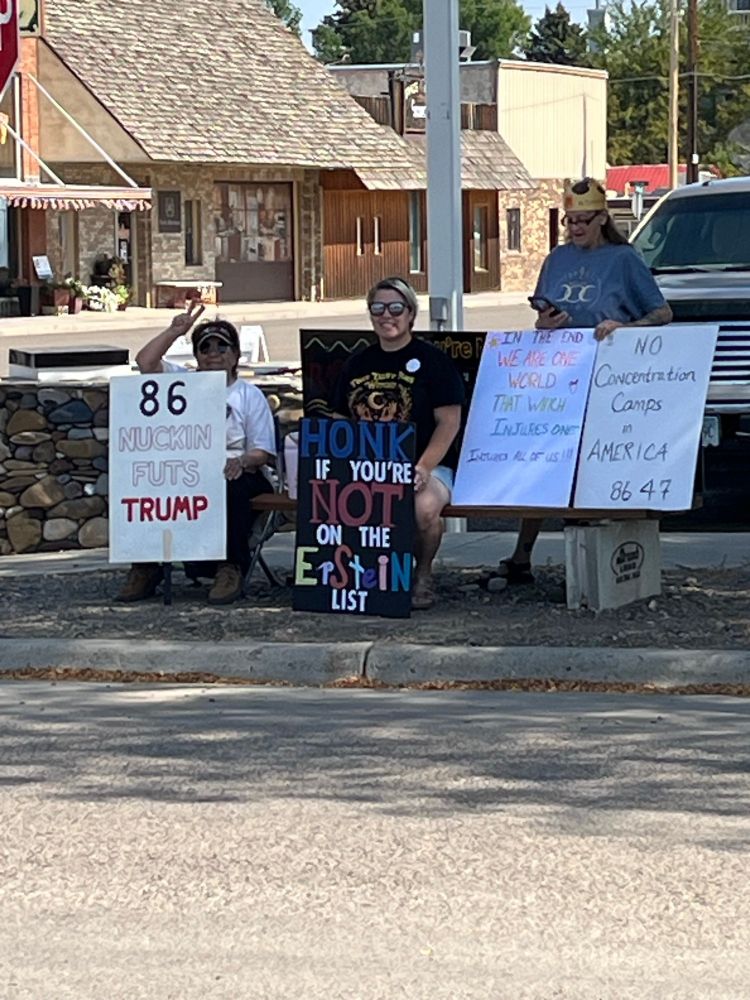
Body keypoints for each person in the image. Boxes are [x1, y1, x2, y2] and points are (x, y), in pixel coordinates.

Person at [494, 177, 673, 585]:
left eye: (582, 221)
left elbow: (662, 313)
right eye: (569, 221)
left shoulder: (623, 259)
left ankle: (591, 565)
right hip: (559, 372)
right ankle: (522, 555)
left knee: (589, 471)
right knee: (544, 462)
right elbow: (542, 310)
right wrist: (544, 320)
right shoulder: (556, 259)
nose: (574, 229)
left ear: (601, 219)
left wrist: (625, 327)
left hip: (605, 377)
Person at [116, 303, 275, 605]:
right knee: (145, 485)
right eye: (205, 348)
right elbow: (146, 363)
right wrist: (175, 331)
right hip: (187, 467)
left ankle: (230, 567)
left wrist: (240, 461)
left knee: (233, 490)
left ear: (235, 356)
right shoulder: (182, 383)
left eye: (221, 347)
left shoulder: (247, 395)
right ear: (197, 356)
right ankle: (147, 566)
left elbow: (262, 451)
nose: (213, 353)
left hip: (237, 469)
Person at [330, 276, 465, 610]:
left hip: (426, 464)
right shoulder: (357, 363)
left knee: (423, 509)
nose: (386, 315)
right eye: (377, 307)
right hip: (367, 463)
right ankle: (359, 578)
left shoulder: (433, 362)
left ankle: (422, 573)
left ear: (410, 314)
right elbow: (339, 420)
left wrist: (423, 467)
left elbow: (449, 422)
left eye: (395, 308)